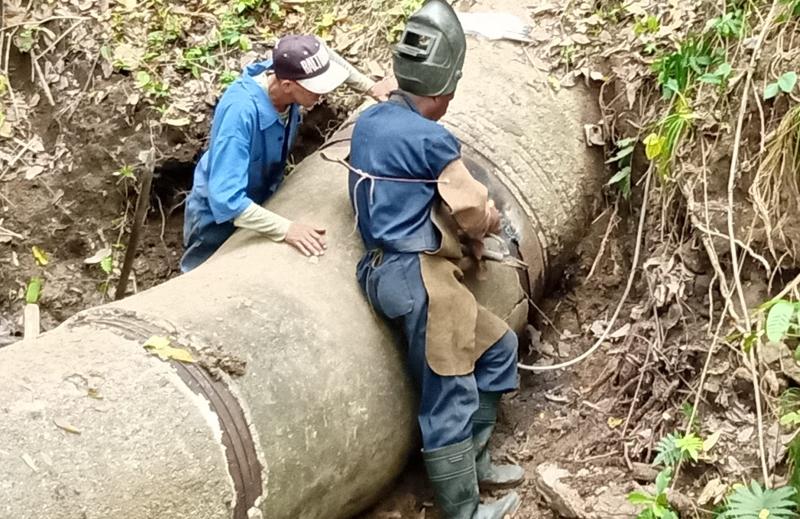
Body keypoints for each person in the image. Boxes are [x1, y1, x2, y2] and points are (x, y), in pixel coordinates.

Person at [346, 1, 523, 518]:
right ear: (445, 91)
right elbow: (470, 209)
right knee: (449, 394)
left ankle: (476, 463)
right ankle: (463, 511)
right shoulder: (433, 138)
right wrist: (489, 221)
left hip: (383, 270)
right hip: (419, 275)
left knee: (497, 347)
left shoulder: (373, 120)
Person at [181, 34, 393, 272]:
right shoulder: (240, 113)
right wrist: (287, 229)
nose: (323, 95)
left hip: (262, 193)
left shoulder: (282, 67)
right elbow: (227, 200)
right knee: (203, 275)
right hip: (216, 218)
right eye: (316, 90)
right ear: (287, 86)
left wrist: (369, 87)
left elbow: (322, 53)